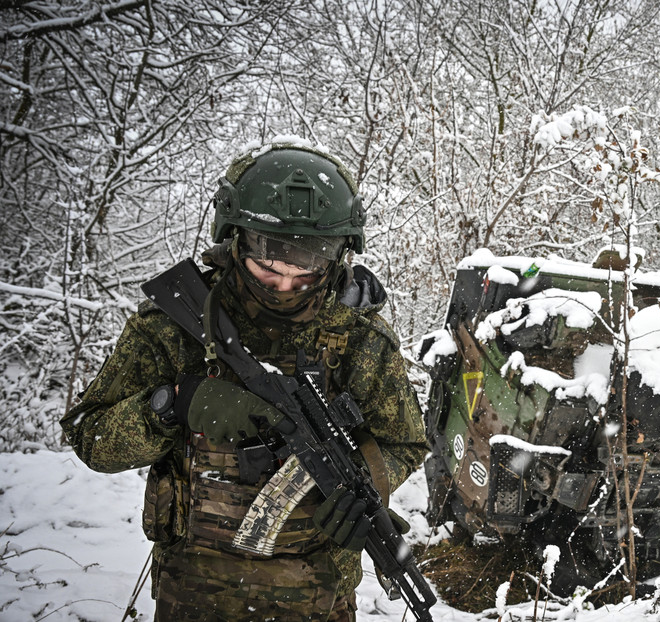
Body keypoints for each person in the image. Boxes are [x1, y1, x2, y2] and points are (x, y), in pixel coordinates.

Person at [61, 141, 428, 621]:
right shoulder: (174, 324)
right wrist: (173, 403)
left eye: (305, 274)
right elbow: (91, 438)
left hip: (317, 599)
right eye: (269, 269)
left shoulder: (359, 338)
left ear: (338, 258)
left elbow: (406, 441)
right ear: (234, 238)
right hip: (194, 594)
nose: (284, 287)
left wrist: (364, 488)